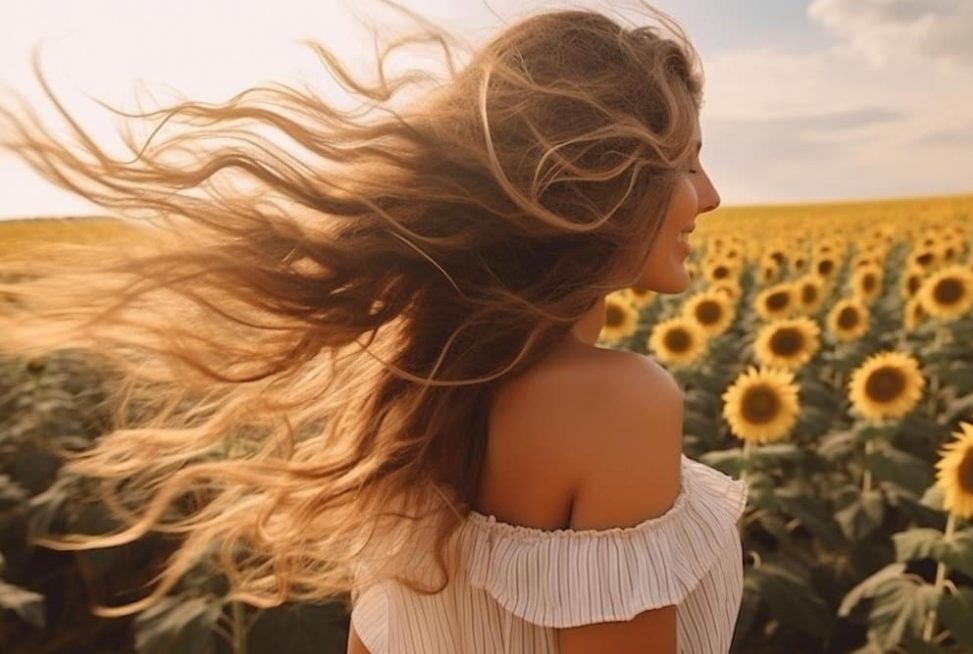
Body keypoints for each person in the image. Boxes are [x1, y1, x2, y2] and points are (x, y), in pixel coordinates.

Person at [0, 1, 745, 652]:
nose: (709, 197)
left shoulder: (418, 391)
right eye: (686, 162)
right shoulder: (616, 403)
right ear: (599, 174)